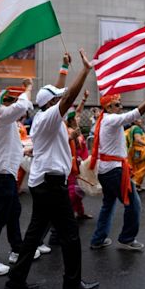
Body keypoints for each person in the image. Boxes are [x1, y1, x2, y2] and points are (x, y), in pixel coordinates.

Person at [5, 49, 99, 289]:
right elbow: (66, 97)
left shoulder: (47, 117)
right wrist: (85, 70)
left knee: (34, 235)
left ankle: (15, 281)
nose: (62, 100)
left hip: (43, 183)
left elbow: (59, 93)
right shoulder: (48, 117)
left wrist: (64, 68)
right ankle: (72, 284)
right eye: (57, 99)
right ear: (50, 103)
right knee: (70, 235)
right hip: (51, 184)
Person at [0, 81, 41, 276]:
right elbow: (22, 106)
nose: (14, 104)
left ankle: (16, 249)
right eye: (10, 99)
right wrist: (28, 88)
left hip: (6, 176)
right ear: (3, 102)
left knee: (13, 212)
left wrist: (27, 149)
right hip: (0, 176)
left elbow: (14, 147)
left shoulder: (7, 122)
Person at [89, 83, 145, 252]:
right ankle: (126, 238)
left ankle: (98, 239)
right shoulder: (111, 119)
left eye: (120, 104)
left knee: (108, 204)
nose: (120, 107)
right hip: (114, 170)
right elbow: (136, 113)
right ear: (108, 106)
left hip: (106, 170)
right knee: (133, 204)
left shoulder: (104, 120)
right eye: (117, 104)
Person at [66, 90, 92, 219]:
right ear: (71, 120)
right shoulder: (69, 131)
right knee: (73, 190)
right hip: (72, 165)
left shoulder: (75, 129)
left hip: (80, 164)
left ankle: (80, 212)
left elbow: (79, 111)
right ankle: (67, 214)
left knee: (79, 190)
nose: (79, 117)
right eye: (76, 117)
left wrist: (84, 99)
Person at [126, 119, 145, 192]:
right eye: (138, 119)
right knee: (144, 167)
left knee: (136, 168)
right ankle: (134, 182)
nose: (141, 120)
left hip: (134, 151)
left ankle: (137, 186)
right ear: (134, 121)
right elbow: (138, 140)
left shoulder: (131, 129)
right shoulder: (137, 129)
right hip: (139, 151)